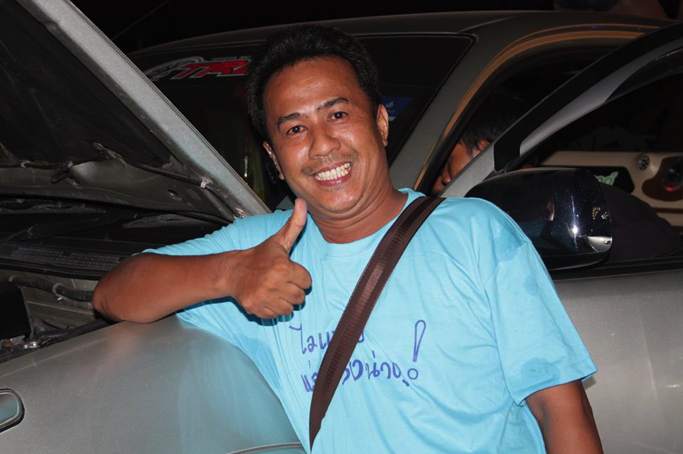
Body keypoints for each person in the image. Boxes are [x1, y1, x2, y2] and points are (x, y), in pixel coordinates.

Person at [93, 25, 603, 453]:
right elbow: (115, 293)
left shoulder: (474, 232)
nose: (322, 145)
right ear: (273, 158)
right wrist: (229, 273)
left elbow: (559, 408)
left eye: (338, 115)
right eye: (295, 129)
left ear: (380, 123)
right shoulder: (263, 248)